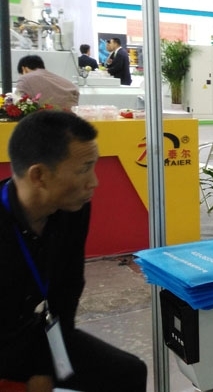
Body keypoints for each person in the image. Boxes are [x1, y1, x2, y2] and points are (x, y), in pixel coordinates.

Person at [0, 110, 147, 391]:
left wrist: (45, 367)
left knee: (128, 373)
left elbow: (67, 288)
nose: (94, 181)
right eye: (83, 169)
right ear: (39, 176)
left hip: (35, 332)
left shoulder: (73, 209)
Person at [15, 55, 80, 111]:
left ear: (24, 69)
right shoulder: (68, 84)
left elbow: (18, 103)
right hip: (70, 119)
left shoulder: (24, 79)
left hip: (41, 120)